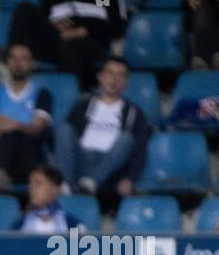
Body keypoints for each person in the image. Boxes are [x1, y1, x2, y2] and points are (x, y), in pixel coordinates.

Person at [7, 0, 126, 87]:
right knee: (25, 9)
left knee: (72, 47)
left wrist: (82, 31)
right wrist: (53, 26)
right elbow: (43, 26)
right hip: (56, 43)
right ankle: (11, 63)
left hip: (89, 45)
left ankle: (81, 89)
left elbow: (116, 27)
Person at [55, 56, 150, 197]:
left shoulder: (135, 113)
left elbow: (140, 150)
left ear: (126, 82)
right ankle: (66, 184)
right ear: (100, 77)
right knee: (64, 129)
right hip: (81, 160)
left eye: (120, 75)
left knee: (126, 138)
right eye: (110, 73)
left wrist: (130, 178)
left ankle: (91, 183)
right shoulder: (82, 105)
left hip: (110, 167)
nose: (114, 79)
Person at [0, 43, 53, 191]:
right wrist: (6, 127)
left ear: (32, 64)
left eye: (24, 59)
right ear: (7, 62)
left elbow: (37, 128)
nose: (18, 63)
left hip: (28, 156)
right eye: (13, 58)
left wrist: (15, 125)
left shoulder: (42, 94)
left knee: (14, 134)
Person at [13, 164, 82, 233]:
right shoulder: (19, 225)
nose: (31, 188)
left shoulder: (71, 224)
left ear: (54, 188)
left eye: (38, 183)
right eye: (30, 184)